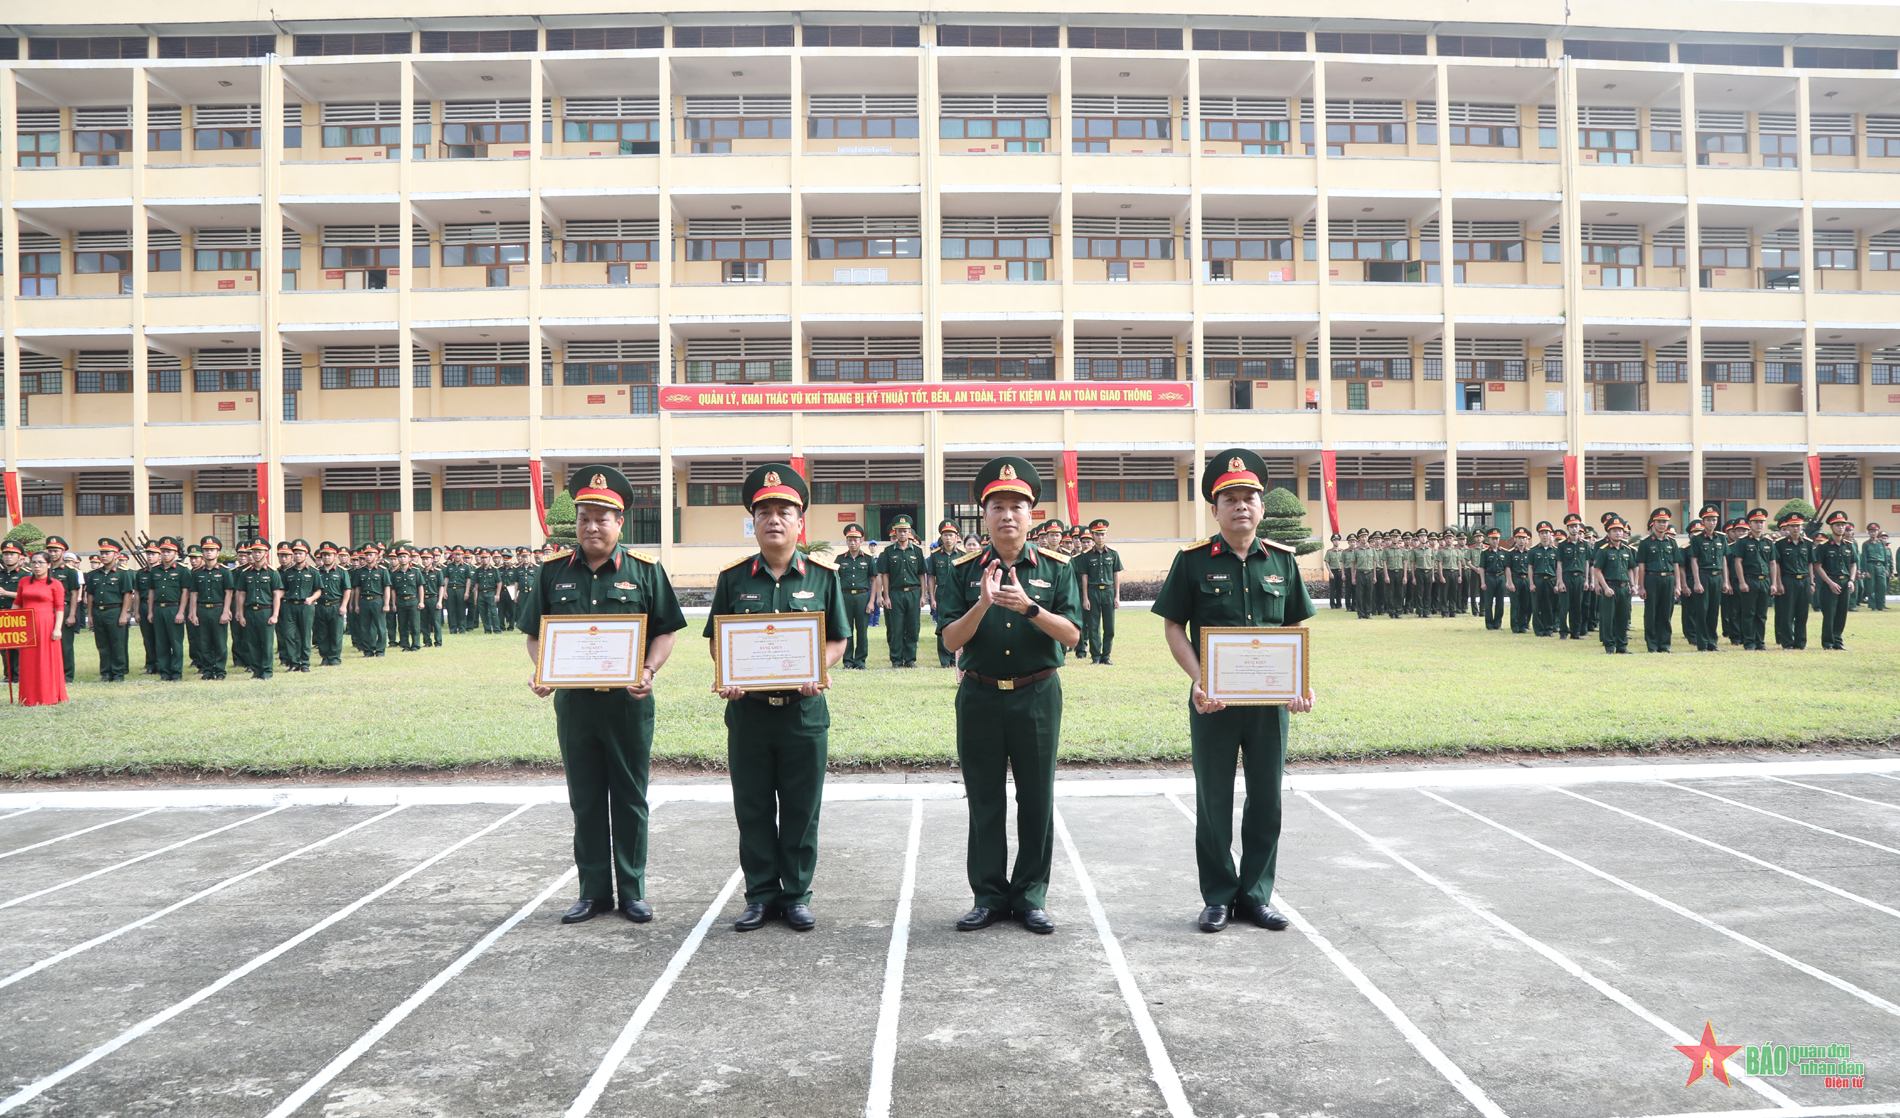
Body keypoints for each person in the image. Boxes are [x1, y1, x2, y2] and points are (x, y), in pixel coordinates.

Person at [1154, 448, 1316, 934]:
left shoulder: (1282, 563)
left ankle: (1257, 895)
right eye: (1231, 498)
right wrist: (1199, 679)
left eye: (1250, 497)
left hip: (1270, 705)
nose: (1241, 506)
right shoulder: (1193, 561)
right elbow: (1173, 628)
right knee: (1214, 800)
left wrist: (1300, 684)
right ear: (1215, 508)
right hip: (1214, 701)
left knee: (1267, 800)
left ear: (1262, 507)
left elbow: (1293, 628)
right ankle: (1219, 896)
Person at [522, 466, 688, 926]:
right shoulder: (553, 573)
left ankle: (631, 890)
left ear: (620, 522)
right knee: (587, 797)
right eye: (583, 519)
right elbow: (537, 635)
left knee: (631, 796)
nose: (591, 527)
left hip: (628, 705)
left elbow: (666, 633)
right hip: (576, 706)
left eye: (602, 518)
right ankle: (593, 892)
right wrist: (542, 670)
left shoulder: (645, 573)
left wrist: (650, 670)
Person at [939, 456, 1081, 936]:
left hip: (1037, 694)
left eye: (1017, 506)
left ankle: (1031, 896)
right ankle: (989, 896)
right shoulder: (961, 571)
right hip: (979, 696)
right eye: (997, 506)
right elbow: (951, 641)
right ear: (984, 514)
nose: (1007, 515)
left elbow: (1073, 636)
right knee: (984, 799)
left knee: (1036, 799)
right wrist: (983, 602)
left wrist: (1030, 607)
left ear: (1031, 514)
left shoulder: (1057, 570)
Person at [706, 464, 849, 932]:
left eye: (783, 511)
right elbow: (717, 638)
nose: (774, 519)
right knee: (752, 807)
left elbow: (838, 639)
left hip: (803, 713)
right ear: (753, 521)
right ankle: (760, 894)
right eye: (763, 511)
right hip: (747, 712)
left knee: (802, 807)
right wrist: (725, 674)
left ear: (799, 519)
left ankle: (797, 895)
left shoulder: (824, 576)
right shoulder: (733, 579)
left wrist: (818, 670)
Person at [0, 550, 67, 705]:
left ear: (49, 565)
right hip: (27, 626)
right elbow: (17, 602)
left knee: (46, 660)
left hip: (46, 625)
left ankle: (48, 695)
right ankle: (29, 696)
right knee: (28, 661)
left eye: (41, 563)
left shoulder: (56, 584)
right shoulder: (24, 581)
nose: (36, 566)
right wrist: (7, 622)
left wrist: (58, 628)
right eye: (34, 562)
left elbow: (59, 608)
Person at [874, 515, 925, 667]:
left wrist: (923, 595)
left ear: (910, 532)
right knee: (895, 627)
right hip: (895, 594)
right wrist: (886, 596)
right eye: (899, 531)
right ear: (894, 532)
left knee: (913, 627)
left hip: (914, 593)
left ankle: (910, 659)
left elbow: (922, 574)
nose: (902, 534)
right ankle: (896, 659)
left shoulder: (917, 551)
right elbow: (885, 575)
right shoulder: (888, 552)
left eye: (905, 531)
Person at [1632, 508, 1685, 653]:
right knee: (1651, 613)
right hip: (1651, 578)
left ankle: (1664, 644)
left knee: (1666, 613)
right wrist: (1641, 586)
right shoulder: (1645, 543)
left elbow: (1676, 564)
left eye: (1665, 522)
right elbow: (1641, 566)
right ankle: (1652, 644)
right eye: (1659, 522)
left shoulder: (1672, 542)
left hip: (1668, 579)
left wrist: (1677, 585)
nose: (1662, 524)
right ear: (1653, 523)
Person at [86, 538, 138, 682]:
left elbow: (127, 594)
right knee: (102, 644)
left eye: (107, 552)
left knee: (117, 643)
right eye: (102, 552)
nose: (103, 555)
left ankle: (118, 673)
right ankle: (105, 673)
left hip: (115, 611)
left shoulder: (123, 573)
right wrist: (89, 615)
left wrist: (124, 613)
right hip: (98, 612)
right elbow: (90, 595)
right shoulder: (94, 574)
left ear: (116, 555)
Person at [232, 539, 284, 679]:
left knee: (266, 643)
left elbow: (276, 595)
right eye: (254, 551)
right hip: (250, 611)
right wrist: (240, 614)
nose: (256, 554)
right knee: (251, 643)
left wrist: (275, 614)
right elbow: (241, 594)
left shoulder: (273, 572)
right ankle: (256, 670)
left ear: (266, 553)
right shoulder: (246, 573)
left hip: (266, 611)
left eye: (259, 551)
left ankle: (267, 671)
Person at [1076, 518, 1124, 664]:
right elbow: (1084, 577)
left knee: (1109, 627)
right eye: (1097, 534)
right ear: (1093, 535)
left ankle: (1106, 656)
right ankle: (1096, 656)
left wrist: (1117, 596)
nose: (1100, 537)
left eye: (1103, 534)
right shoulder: (1087, 555)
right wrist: (1085, 598)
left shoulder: (1113, 554)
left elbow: (1116, 574)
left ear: (1107, 535)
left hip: (1109, 592)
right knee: (1093, 626)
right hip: (1093, 592)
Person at [1728, 509, 1776, 651]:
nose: (1759, 525)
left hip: (1764, 580)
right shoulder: (1742, 542)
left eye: (1761, 522)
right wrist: (1742, 582)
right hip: (1750, 580)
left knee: (1761, 614)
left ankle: (1760, 641)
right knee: (1748, 613)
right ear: (1750, 524)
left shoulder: (1769, 542)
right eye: (1756, 522)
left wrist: (1773, 583)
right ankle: (1749, 642)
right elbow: (1738, 562)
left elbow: (1772, 563)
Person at [1682, 506, 1728, 652]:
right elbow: (1694, 560)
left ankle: (1712, 643)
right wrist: (1696, 581)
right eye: (1708, 520)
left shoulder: (1722, 538)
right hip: (1703, 575)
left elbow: (1724, 560)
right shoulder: (1697, 539)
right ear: (1703, 521)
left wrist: (1726, 581)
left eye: (1714, 520)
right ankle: (1702, 643)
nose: (1711, 522)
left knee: (1714, 611)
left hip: (1717, 577)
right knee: (1702, 611)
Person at [1811, 511, 1858, 651]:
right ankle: (1827, 642)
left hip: (1845, 583)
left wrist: (1852, 580)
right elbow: (1818, 566)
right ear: (1831, 527)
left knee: (1841, 613)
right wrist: (1830, 583)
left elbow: (1853, 564)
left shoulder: (1849, 545)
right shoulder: (1824, 546)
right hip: (1830, 583)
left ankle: (1838, 641)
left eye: (1843, 525)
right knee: (1829, 614)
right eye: (1837, 525)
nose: (1841, 528)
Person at [144, 538, 189, 681]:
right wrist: (150, 611)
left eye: (168, 552)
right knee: (161, 643)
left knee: (175, 643)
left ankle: (176, 673)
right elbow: (151, 592)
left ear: (175, 553)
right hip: (159, 609)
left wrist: (181, 612)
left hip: (174, 608)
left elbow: (185, 592)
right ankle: (164, 673)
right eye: (163, 551)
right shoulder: (155, 571)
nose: (165, 554)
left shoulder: (182, 570)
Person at [1591, 515, 1637, 654]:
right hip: (1610, 587)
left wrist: (1633, 585)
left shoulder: (1627, 549)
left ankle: (1622, 645)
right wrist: (1605, 587)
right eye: (1614, 530)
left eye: (1620, 530)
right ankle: (1609, 645)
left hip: (1624, 588)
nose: (1618, 532)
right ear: (1608, 533)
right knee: (1608, 618)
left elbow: (1630, 568)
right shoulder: (1604, 550)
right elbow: (1597, 570)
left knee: (1623, 617)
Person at [40, 536, 81, 683]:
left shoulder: (70, 571)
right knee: (46, 642)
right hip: (46, 610)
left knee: (65, 645)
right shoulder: (44, 568)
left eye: (56, 551)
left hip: (64, 608)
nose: (52, 554)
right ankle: (50, 673)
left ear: (63, 552)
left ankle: (67, 675)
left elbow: (75, 593)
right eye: (50, 550)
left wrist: (72, 615)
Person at [1771, 511, 1813, 650]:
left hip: (1804, 580)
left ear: (1802, 527)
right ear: (1787, 527)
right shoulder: (1780, 543)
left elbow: (1810, 563)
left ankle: (1800, 642)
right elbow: (1776, 564)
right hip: (1788, 580)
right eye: (1792, 526)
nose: (1795, 528)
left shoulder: (1807, 543)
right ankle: (1787, 642)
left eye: (1798, 525)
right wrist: (1778, 583)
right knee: (1787, 613)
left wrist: (1812, 582)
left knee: (1802, 613)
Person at [834, 524, 874, 669]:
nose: (852, 542)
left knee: (862, 631)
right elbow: (834, 579)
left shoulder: (868, 559)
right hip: (845, 598)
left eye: (855, 540)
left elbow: (874, 580)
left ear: (861, 541)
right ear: (846, 541)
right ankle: (848, 661)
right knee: (847, 630)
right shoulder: (840, 559)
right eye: (850, 539)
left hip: (862, 598)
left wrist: (872, 601)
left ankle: (860, 661)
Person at [927, 520, 962, 668]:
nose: (948, 538)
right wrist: (932, 598)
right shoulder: (935, 556)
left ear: (957, 537)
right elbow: (932, 578)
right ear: (941, 538)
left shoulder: (963, 555)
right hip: (941, 592)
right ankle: (944, 660)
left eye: (951, 535)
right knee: (942, 625)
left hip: (957, 593)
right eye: (945, 535)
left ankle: (956, 659)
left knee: (958, 625)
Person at [311, 542, 351, 666]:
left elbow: (347, 589)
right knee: (322, 634)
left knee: (336, 633)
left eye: (329, 555)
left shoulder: (341, 571)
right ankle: (325, 657)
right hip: (321, 605)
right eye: (324, 555)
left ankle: (334, 658)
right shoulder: (316, 572)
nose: (327, 557)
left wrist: (344, 605)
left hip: (336, 605)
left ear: (335, 556)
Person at [1529, 522, 1563, 637]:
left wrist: (1558, 583)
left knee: (1549, 606)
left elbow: (1558, 568)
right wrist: (1531, 583)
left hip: (1551, 580)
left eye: (1547, 533)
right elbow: (1530, 568)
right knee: (1536, 606)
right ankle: (1538, 630)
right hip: (1538, 580)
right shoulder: (1533, 550)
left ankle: (1549, 629)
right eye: (1542, 533)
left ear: (1550, 534)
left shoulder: (1556, 551)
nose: (1544, 535)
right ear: (1539, 535)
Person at [391, 546, 424, 652]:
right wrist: (394, 604)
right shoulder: (395, 574)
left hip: (413, 600)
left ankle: (416, 645)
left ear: (409, 558)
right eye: (400, 557)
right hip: (400, 600)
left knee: (415, 624)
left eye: (405, 556)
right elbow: (393, 590)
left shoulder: (416, 571)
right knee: (402, 624)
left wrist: (421, 601)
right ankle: (405, 645)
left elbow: (420, 587)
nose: (402, 559)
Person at [1861, 524, 1890, 611]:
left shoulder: (1882, 543)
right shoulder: (1866, 544)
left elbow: (1885, 557)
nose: (1873, 533)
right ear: (1869, 533)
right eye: (1871, 531)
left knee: (1882, 586)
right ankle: (1873, 606)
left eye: (1875, 531)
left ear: (1877, 532)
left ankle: (1880, 606)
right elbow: (1864, 558)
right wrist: (1866, 571)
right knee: (1871, 587)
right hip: (1871, 566)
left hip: (1881, 566)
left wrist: (1886, 568)